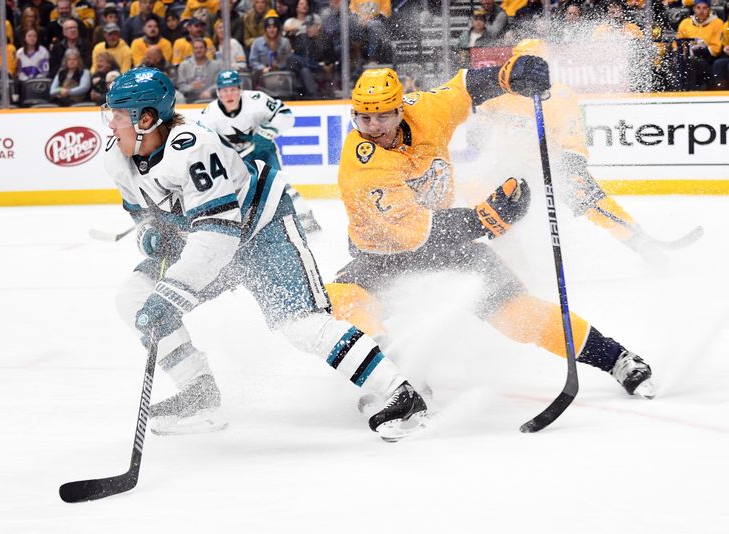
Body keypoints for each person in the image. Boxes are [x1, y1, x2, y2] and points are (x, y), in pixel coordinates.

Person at [102, 67, 429, 441]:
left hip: (262, 230)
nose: (110, 123)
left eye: (117, 113)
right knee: (133, 296)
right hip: (206, 239)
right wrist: (150, 236)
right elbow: (145, 217)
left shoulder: (193, 147)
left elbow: (218, 237)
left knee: (302, 325)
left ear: (146, 119)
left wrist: (170, 294)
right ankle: (199, 395)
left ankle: (401, 394)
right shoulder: (117, 156)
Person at [324, 64, 657, 412]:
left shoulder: (426, 110)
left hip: (450, 250)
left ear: (400, 110)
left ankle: (617, 358)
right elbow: (414, 234)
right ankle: (396, 383)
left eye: (381, 117)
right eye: (363, 118)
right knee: (343, 301)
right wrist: (483, 219)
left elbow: (465, 86)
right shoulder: (361, 166)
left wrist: (510, 75)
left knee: (520, 317)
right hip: (382, 257)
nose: (373, 127)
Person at [470, 39, 681, 264]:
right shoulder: (501, 93)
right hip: (509, 168)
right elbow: (479, 120)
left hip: (550, 165)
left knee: (592, 202)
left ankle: (641, 242)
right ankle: (511, 262)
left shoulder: (559, 96)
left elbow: (573, 133)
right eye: (521, 62)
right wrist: (477, 129)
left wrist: (572, 159)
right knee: (489, 208)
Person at [200, 69, 322, 232]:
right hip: (235, 159)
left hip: (263, 151)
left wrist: (266, 133)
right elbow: (205, 144)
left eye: (233, 90)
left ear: (240, 89)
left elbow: (286, 115)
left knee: (278, 186)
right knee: (241, 194)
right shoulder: (209, 116)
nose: (229, 95)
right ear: (218, 93)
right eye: (225, 91)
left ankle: (306, 218)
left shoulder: (257, 100)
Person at [249, 10, 292, 78]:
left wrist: (278, 65)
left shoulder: (285, 42)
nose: (271, 30)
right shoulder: (257, 42)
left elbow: (289, 60)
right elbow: (252, 61)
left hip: (281, 75)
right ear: (265, 29)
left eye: (274, 27)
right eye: (269, 27)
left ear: (278, 28)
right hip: (262, 76)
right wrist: (263, 68)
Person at [176, 37, 220, 102]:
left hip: (212, 101)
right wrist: (191, 87)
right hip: (190, 103)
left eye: (201, 47)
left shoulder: (216, 65)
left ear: (206, 49)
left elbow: (219, 83)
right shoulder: (184, 66)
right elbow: (181, 86)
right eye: (196, 48)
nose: (198, 50)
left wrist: (210, 91)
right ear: (192, 50)